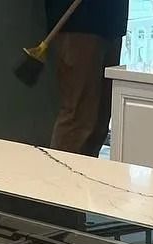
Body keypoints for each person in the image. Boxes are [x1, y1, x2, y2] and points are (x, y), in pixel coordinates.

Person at [47, 0, 130, 156]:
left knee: (101, 120)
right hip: (79, 22)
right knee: (79, 118)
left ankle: (83, 176)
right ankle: (59, 177)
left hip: (111, 20)